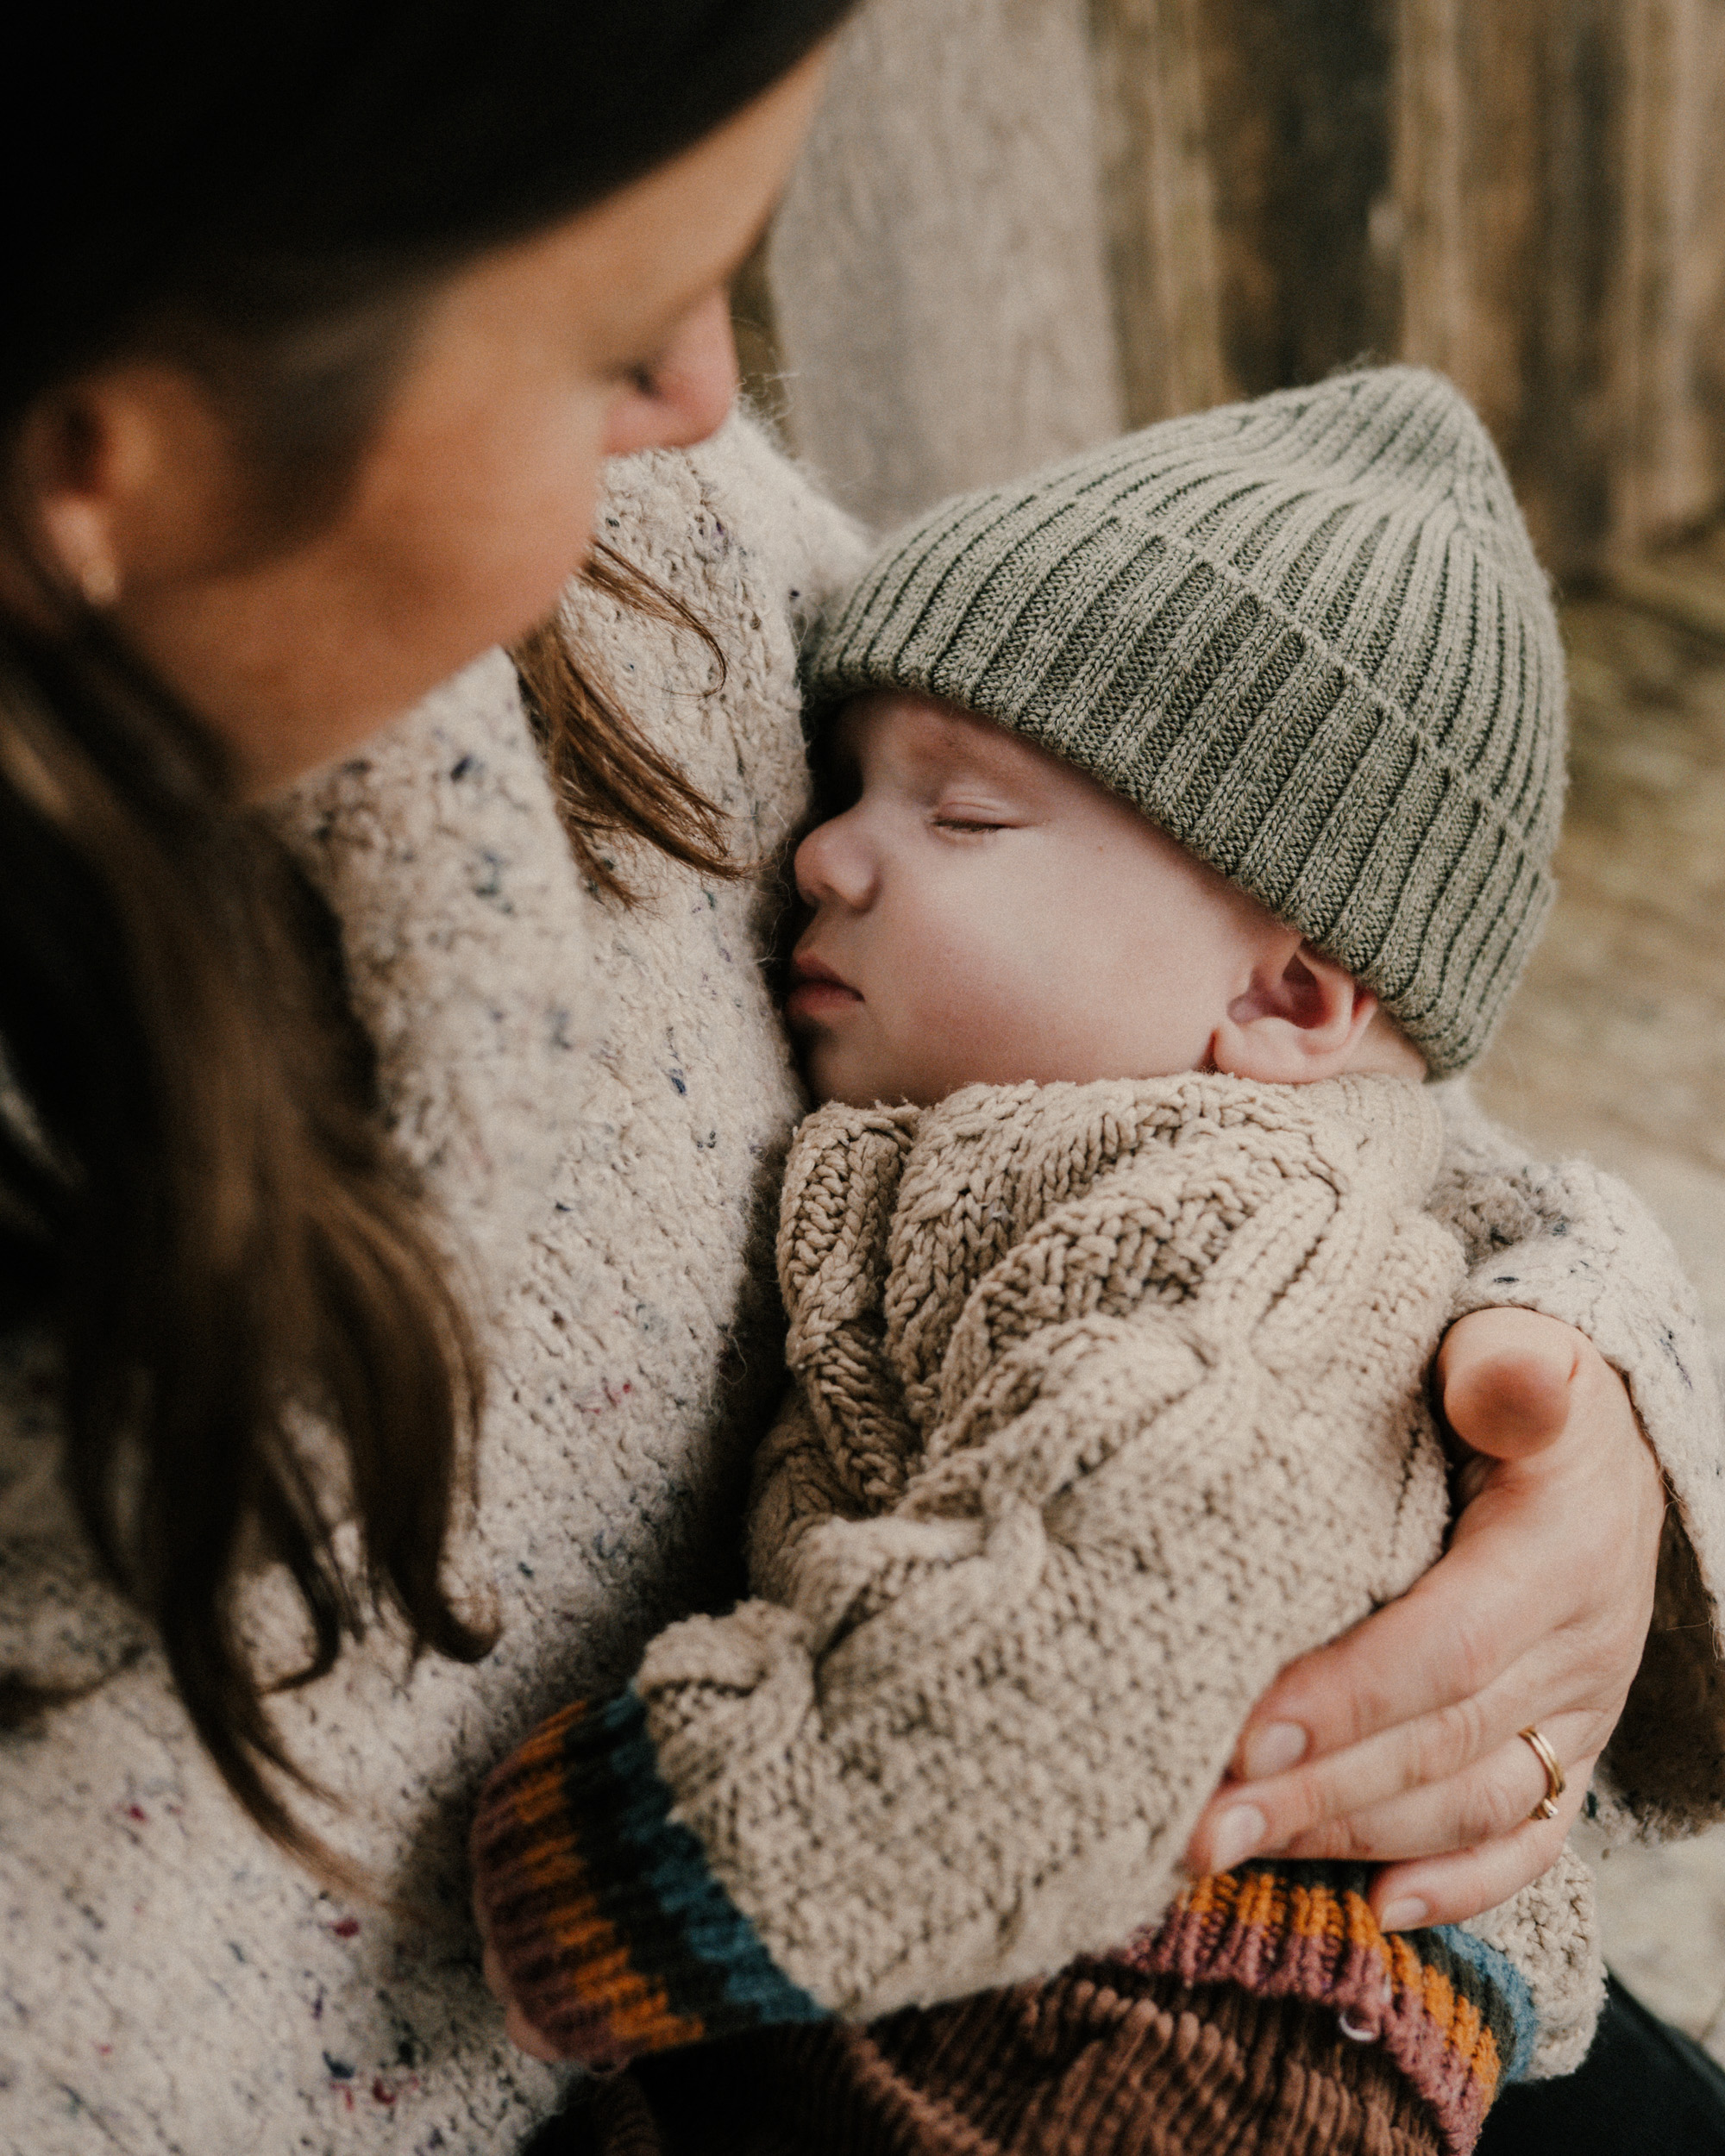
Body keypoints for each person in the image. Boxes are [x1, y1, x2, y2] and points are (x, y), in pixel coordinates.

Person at [0, 6, 1720, 2152]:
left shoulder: (675, 559)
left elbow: (1308, 1144)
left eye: (949, 815)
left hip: (1164, 2013)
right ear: (108, 453)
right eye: (607, 324)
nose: (701, 401)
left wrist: (1584, 1397)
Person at [467, 367, 1667, 2155]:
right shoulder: (1116, 1148)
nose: (824, 851)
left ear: (1292, 999)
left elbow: (1104, 1621)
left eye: (960, 818)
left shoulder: (1233, 1236)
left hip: (1158, 2017)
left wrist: (625, 1850)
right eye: (848, 782)